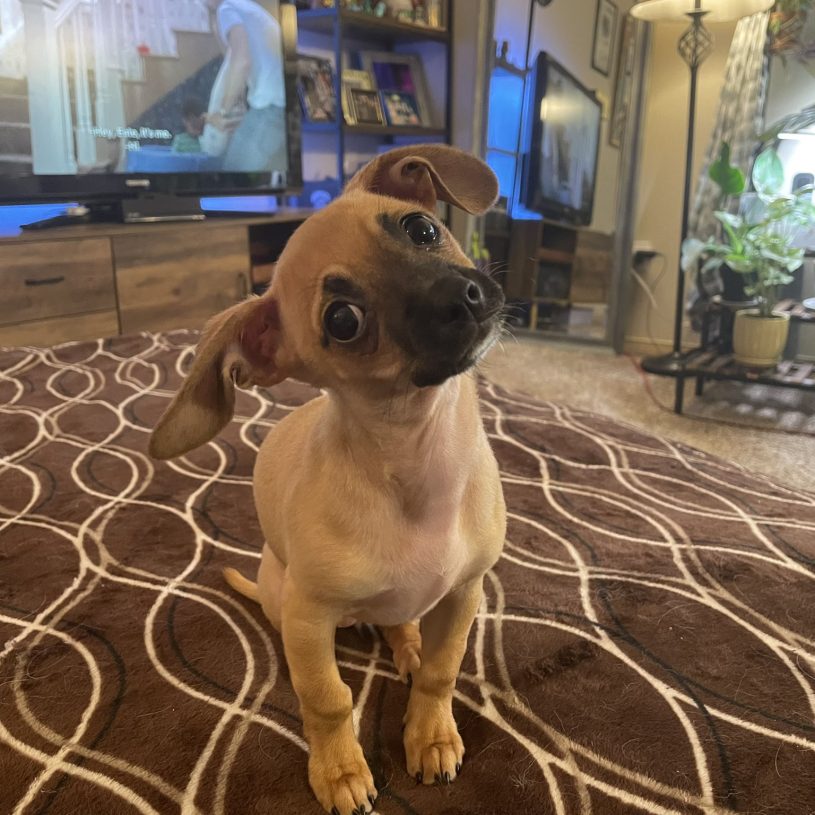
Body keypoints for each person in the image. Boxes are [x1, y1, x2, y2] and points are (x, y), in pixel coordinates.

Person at [200, 0, 287, 174]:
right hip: (278, 103)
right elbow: (234, 58)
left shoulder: (227, 9)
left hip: (270, 106)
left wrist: (222, 113)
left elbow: (241, 62)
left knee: (233, 175)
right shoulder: (245, 8)